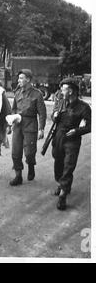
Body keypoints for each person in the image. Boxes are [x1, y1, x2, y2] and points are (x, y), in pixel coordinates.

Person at [51, 78, 91, 210]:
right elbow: (54, 116)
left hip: (72, 139)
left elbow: (90, 126)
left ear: (71, 91)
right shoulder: (60, 102)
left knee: (68, 166)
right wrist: (55, 115)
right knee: (58, 163)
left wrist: (77, 131)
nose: (61, 91)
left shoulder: (84, 107)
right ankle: (61, 183)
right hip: (59, 137)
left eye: (64, 88)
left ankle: (63, 195)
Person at [10, 69, 47, 186]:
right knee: (15, 152)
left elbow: (42, 113)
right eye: (19, 78)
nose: (19, 80)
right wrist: (11, 120)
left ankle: (31, 166)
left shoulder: (37, 94)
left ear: (28, 80)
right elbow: (13, 109)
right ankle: (18, 176)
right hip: (17, 124)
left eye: (21, 78)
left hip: (30, 124)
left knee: (29, 152)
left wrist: (41, 129)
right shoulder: (17, 93)